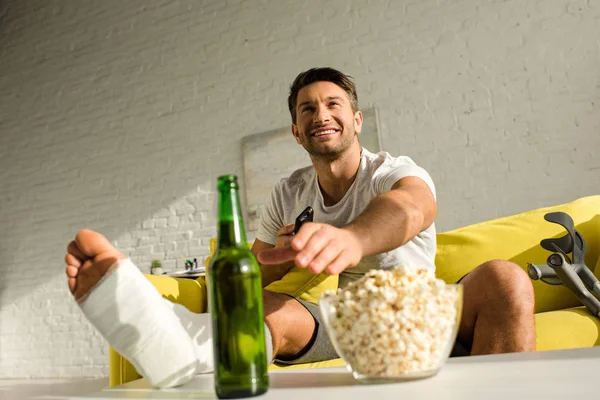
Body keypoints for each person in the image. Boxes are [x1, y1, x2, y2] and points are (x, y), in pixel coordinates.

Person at [64, 67, 535, 388]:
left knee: (504, 278)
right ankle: (186, 355)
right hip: (354, 324)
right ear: (295, 130)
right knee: (270, 309)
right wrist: (274, 259)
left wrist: (353, 238)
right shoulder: (289, 193)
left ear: (356, 119)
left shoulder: (391, 170)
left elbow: (413, 207)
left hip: (424, 317)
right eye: (307, 109)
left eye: (332, 104)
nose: (320, 114)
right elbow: (250, 275)